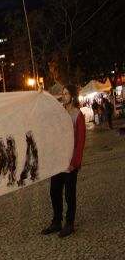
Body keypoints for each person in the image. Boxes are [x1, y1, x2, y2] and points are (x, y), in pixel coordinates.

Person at [41, 84, 86, 238]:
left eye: (66, 94)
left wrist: (75, 162)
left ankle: (69, 223)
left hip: (70, 163)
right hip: (58, 162)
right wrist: (42, 94)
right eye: (63, 94)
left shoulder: (78, 115)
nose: (64, 96)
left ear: (72, 96)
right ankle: (56, 221)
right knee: (54, 191)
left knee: (69, 194)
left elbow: (80, 142)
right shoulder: (60, 112)